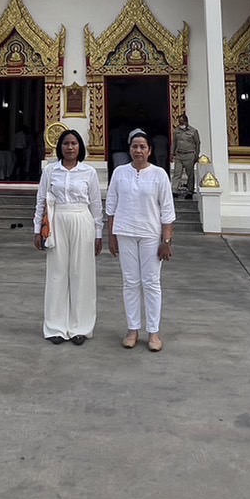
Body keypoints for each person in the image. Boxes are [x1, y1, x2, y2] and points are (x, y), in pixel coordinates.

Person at [106, 129, 176, 352]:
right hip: (125, 232)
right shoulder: (119, 173)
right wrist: (111, 236)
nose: (138, 150)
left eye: (142, 147)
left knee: (151, 283)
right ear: (130, 149)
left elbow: (167, 210)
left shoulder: (159, 175)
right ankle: (132, 329)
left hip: (150, 235)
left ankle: (153, 332)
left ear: (149, 151)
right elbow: (111, 207)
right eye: (134, 146)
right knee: (130, 282)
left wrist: (166, 240)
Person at [33, 129, 103, 345]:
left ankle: (80, 327)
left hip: (82, 219)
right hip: (57, 220)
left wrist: (98, 233)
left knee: (81, 273)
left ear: (80, 147)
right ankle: (55, 326)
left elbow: (96, 205)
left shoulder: (89, 172)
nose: (70, 147)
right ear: (59, 147)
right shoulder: (50, 171)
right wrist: (37, 228)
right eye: (66, 144)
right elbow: (41, 200)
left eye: (74, 143)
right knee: (57, 273)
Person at [171, 114, 200, 199]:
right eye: (179, 122)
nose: (181, 123)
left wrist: (197, 155)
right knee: (177, 173)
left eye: (182, 121)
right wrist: (172, 154)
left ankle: (190, 191)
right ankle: (174, 190)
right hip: (179, 155)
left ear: (186, 121)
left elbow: (197, 143)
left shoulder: (193, 131)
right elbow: (174, 143)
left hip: (189, 154)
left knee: (190, 174)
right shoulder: (176, 131)